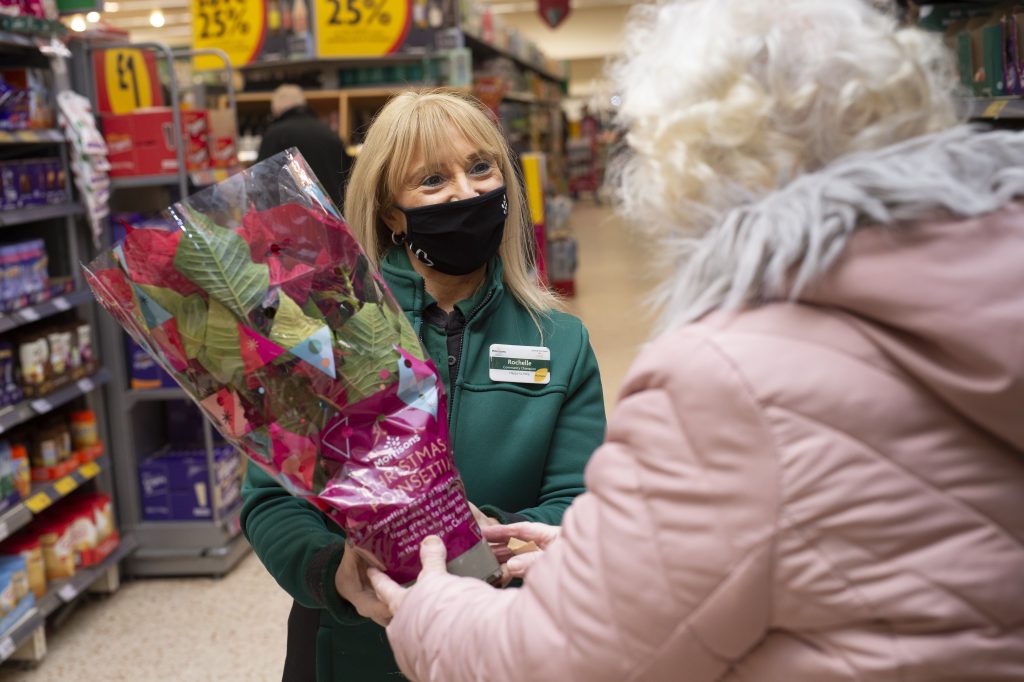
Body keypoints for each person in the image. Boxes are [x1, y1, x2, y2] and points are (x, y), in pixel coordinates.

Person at [365, 1, 1024, 680]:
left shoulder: (724, 375)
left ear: (683, 158)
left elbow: (570, 657)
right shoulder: (993, 281)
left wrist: (430, 609)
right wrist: (612, 552)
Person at [241, 90, 607, 681]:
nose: (465, 192)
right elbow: (272, 500)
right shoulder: (328, 329)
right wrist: (333, 572)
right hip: (354, 642)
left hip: (504, 637)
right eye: (433, 179)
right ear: (391, 211)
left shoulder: (559, 341)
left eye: (481, 167)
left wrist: (474, 542)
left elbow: (578, 496)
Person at [256, 84, 351, 210]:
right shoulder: (328, 133)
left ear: (275, 109)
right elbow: (347, 176)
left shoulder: (274, 136)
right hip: (332, 216)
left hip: (296, 220)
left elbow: (262, 184)